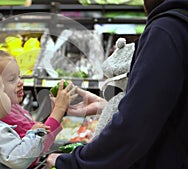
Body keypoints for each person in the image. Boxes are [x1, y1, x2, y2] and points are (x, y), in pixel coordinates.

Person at [46, 0, 188, 168]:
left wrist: (73, 162)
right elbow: (166, 108)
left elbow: (134, 128)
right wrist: (108, 106)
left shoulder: (166, 29)